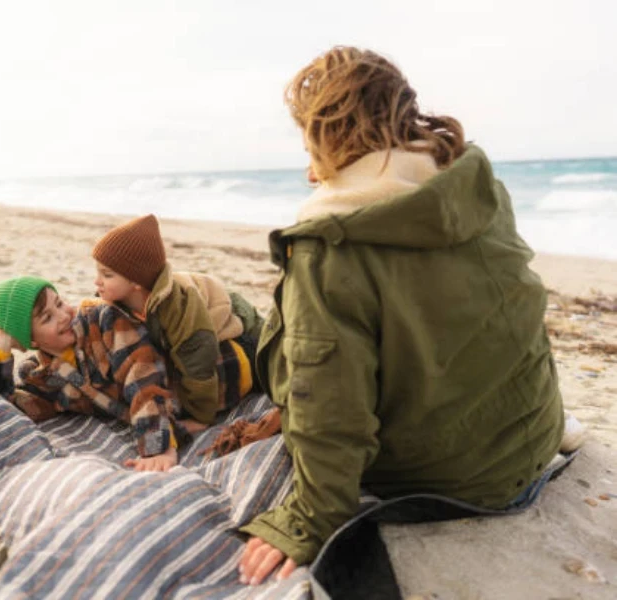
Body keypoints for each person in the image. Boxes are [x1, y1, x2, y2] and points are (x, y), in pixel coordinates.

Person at [236, 46, 568, 585]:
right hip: (531, 442)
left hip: (452, 486)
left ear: (325, 136)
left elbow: (329, 408)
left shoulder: (329, 252)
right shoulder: (472, 187)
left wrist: (311, 520)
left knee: (293, 349)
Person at [0, 276, 250, 471]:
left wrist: (158, 446)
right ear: (30, 341)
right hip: (196, 405)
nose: (64, 314)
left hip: (231, 365)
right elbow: (7, 407)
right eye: (47, 318)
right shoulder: (44, 376)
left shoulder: (101, 319)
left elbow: (142, 375)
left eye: (59, 302)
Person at [91, 213, 263, 430]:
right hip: (200, 330)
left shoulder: (178, 306)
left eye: (106, 275)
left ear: (135, 281)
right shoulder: (112, 300)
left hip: (235, 317)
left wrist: (201, 417)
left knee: (273, 357)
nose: (97, 281)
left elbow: (199, 361)